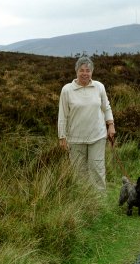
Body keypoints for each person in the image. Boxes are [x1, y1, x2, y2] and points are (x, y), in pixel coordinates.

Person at [58, 56, 115, 191]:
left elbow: (106, 107)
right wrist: (62, 137)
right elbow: (62, 115)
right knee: (79, 172)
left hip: (97, 136)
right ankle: (86, 204)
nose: (85, 73)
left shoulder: (99, 87)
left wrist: (111, 125)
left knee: (97, 169)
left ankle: (101, 204)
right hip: (75, 139)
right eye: (81, 70)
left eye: (88, 70)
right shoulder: (67, 90)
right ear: (76, 71)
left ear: (92, 72)